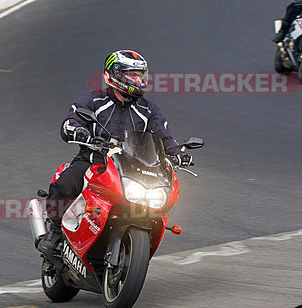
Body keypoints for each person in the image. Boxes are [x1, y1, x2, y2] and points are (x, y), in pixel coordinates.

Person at [37, 50, 192, 255]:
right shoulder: (93, 99)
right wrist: (79, 131)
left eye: (140, 75)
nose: (138, 79)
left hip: (132, 168)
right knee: (64, 184)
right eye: (132, 75)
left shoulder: (149, 109)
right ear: (114, 75)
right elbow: (70, 122)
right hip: (94, 161)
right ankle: (55, 231)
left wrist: (178, 153)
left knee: (157, 199)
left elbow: (164, 135)